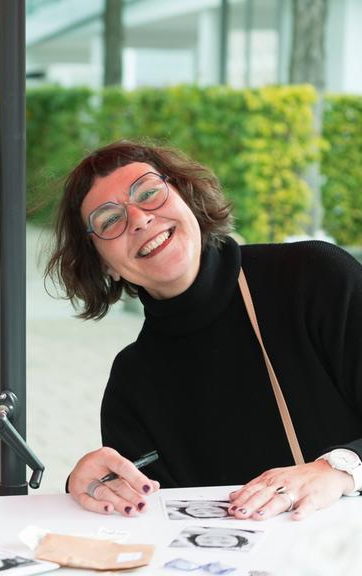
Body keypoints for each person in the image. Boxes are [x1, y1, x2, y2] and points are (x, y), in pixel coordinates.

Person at [45, 140, 362, 521]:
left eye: (148, 193)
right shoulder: (132, 384)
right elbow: (149, 526)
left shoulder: (313, 279)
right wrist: (94, 488)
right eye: (109, 220)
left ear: (188, 198)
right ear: (102, 265)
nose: (139, 218)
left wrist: (337, 470)